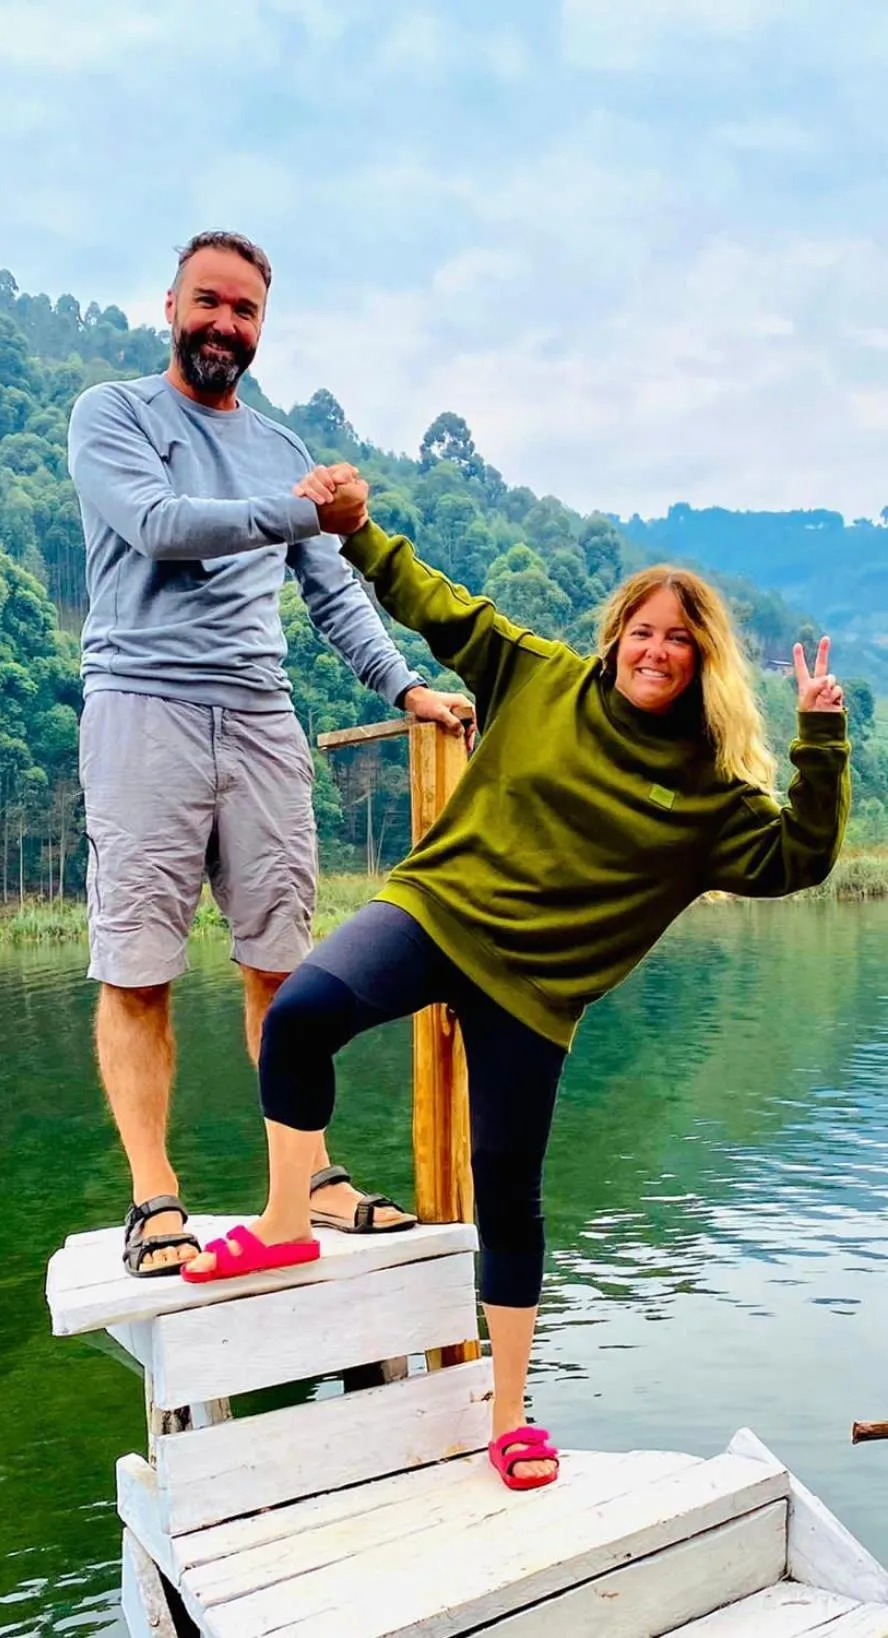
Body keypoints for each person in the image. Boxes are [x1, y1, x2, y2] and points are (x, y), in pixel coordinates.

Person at [183, 471, 850, 1491]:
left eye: (678, 638)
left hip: (532, 993)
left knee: (506, 1191)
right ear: (613, 636)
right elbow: (440, 605)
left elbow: (798, 859)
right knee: (301, 1012)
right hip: (439, 910)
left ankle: (506, 1418)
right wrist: (358, 534)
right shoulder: (538, 678)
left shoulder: (707, 796)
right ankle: (284, 1224)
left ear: (701, 659)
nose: (655, 650)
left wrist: (818, 738)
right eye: (641, 630)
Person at [67, 232, 477, 1276]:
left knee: (282, 970)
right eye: (208, 303)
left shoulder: (279, 443)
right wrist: (307, 508)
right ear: (168, 306)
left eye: (244, 311)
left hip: (260, 717)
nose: (224, 325)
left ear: (261, 327)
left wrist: (407, 687)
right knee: (137, 969)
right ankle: (154, 1197)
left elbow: (332, 589)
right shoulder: (112, 416)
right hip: (141, 708)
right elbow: (161, 527)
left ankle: (312, 1181)